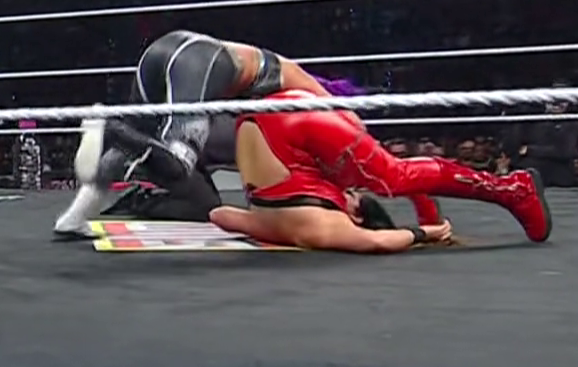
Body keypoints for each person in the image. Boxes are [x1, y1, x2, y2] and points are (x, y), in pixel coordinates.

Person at [52, 30, 349, 237]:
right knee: (177, 163)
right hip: (197, 63)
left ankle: (75, 217)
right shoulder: (302, 92)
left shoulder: (276, 130)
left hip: (168, 59)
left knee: (202, 203)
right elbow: (342, 116)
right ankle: (109, 125)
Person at [207, 89, 553, 252]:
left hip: (286, 125)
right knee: (389, 176)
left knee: (392, 177)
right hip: (258, 122)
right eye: (355, 196)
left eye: (356, 197)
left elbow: (376, 241)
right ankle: (509, 190)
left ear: (354, 215)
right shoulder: (293, 226)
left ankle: (514, 190)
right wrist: (426, 225)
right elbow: (221, 215)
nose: (353, 193)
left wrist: (425, 231)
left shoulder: (325, 229)